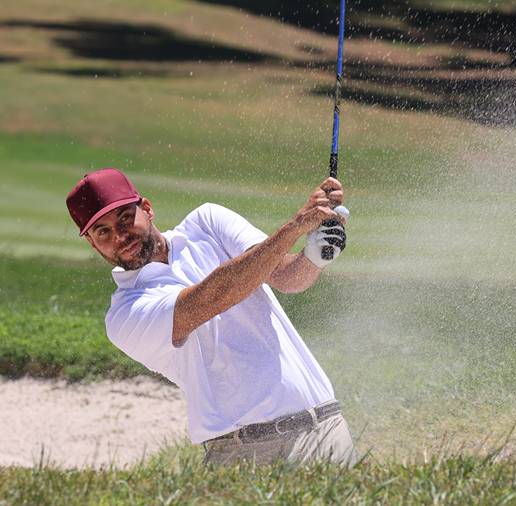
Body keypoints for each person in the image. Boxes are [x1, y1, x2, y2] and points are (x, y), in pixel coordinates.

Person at [65, 167, 356, 467]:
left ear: (147, 209)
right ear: (92, 243)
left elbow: (286, 277)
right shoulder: (124, 314)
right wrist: (295, 226)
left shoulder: (208, 222)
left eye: (125, 218)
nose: (120, 236)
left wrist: (315, 255)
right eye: (103, 232)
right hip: (244, 454)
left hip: (324, 428)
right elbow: (211, 299)